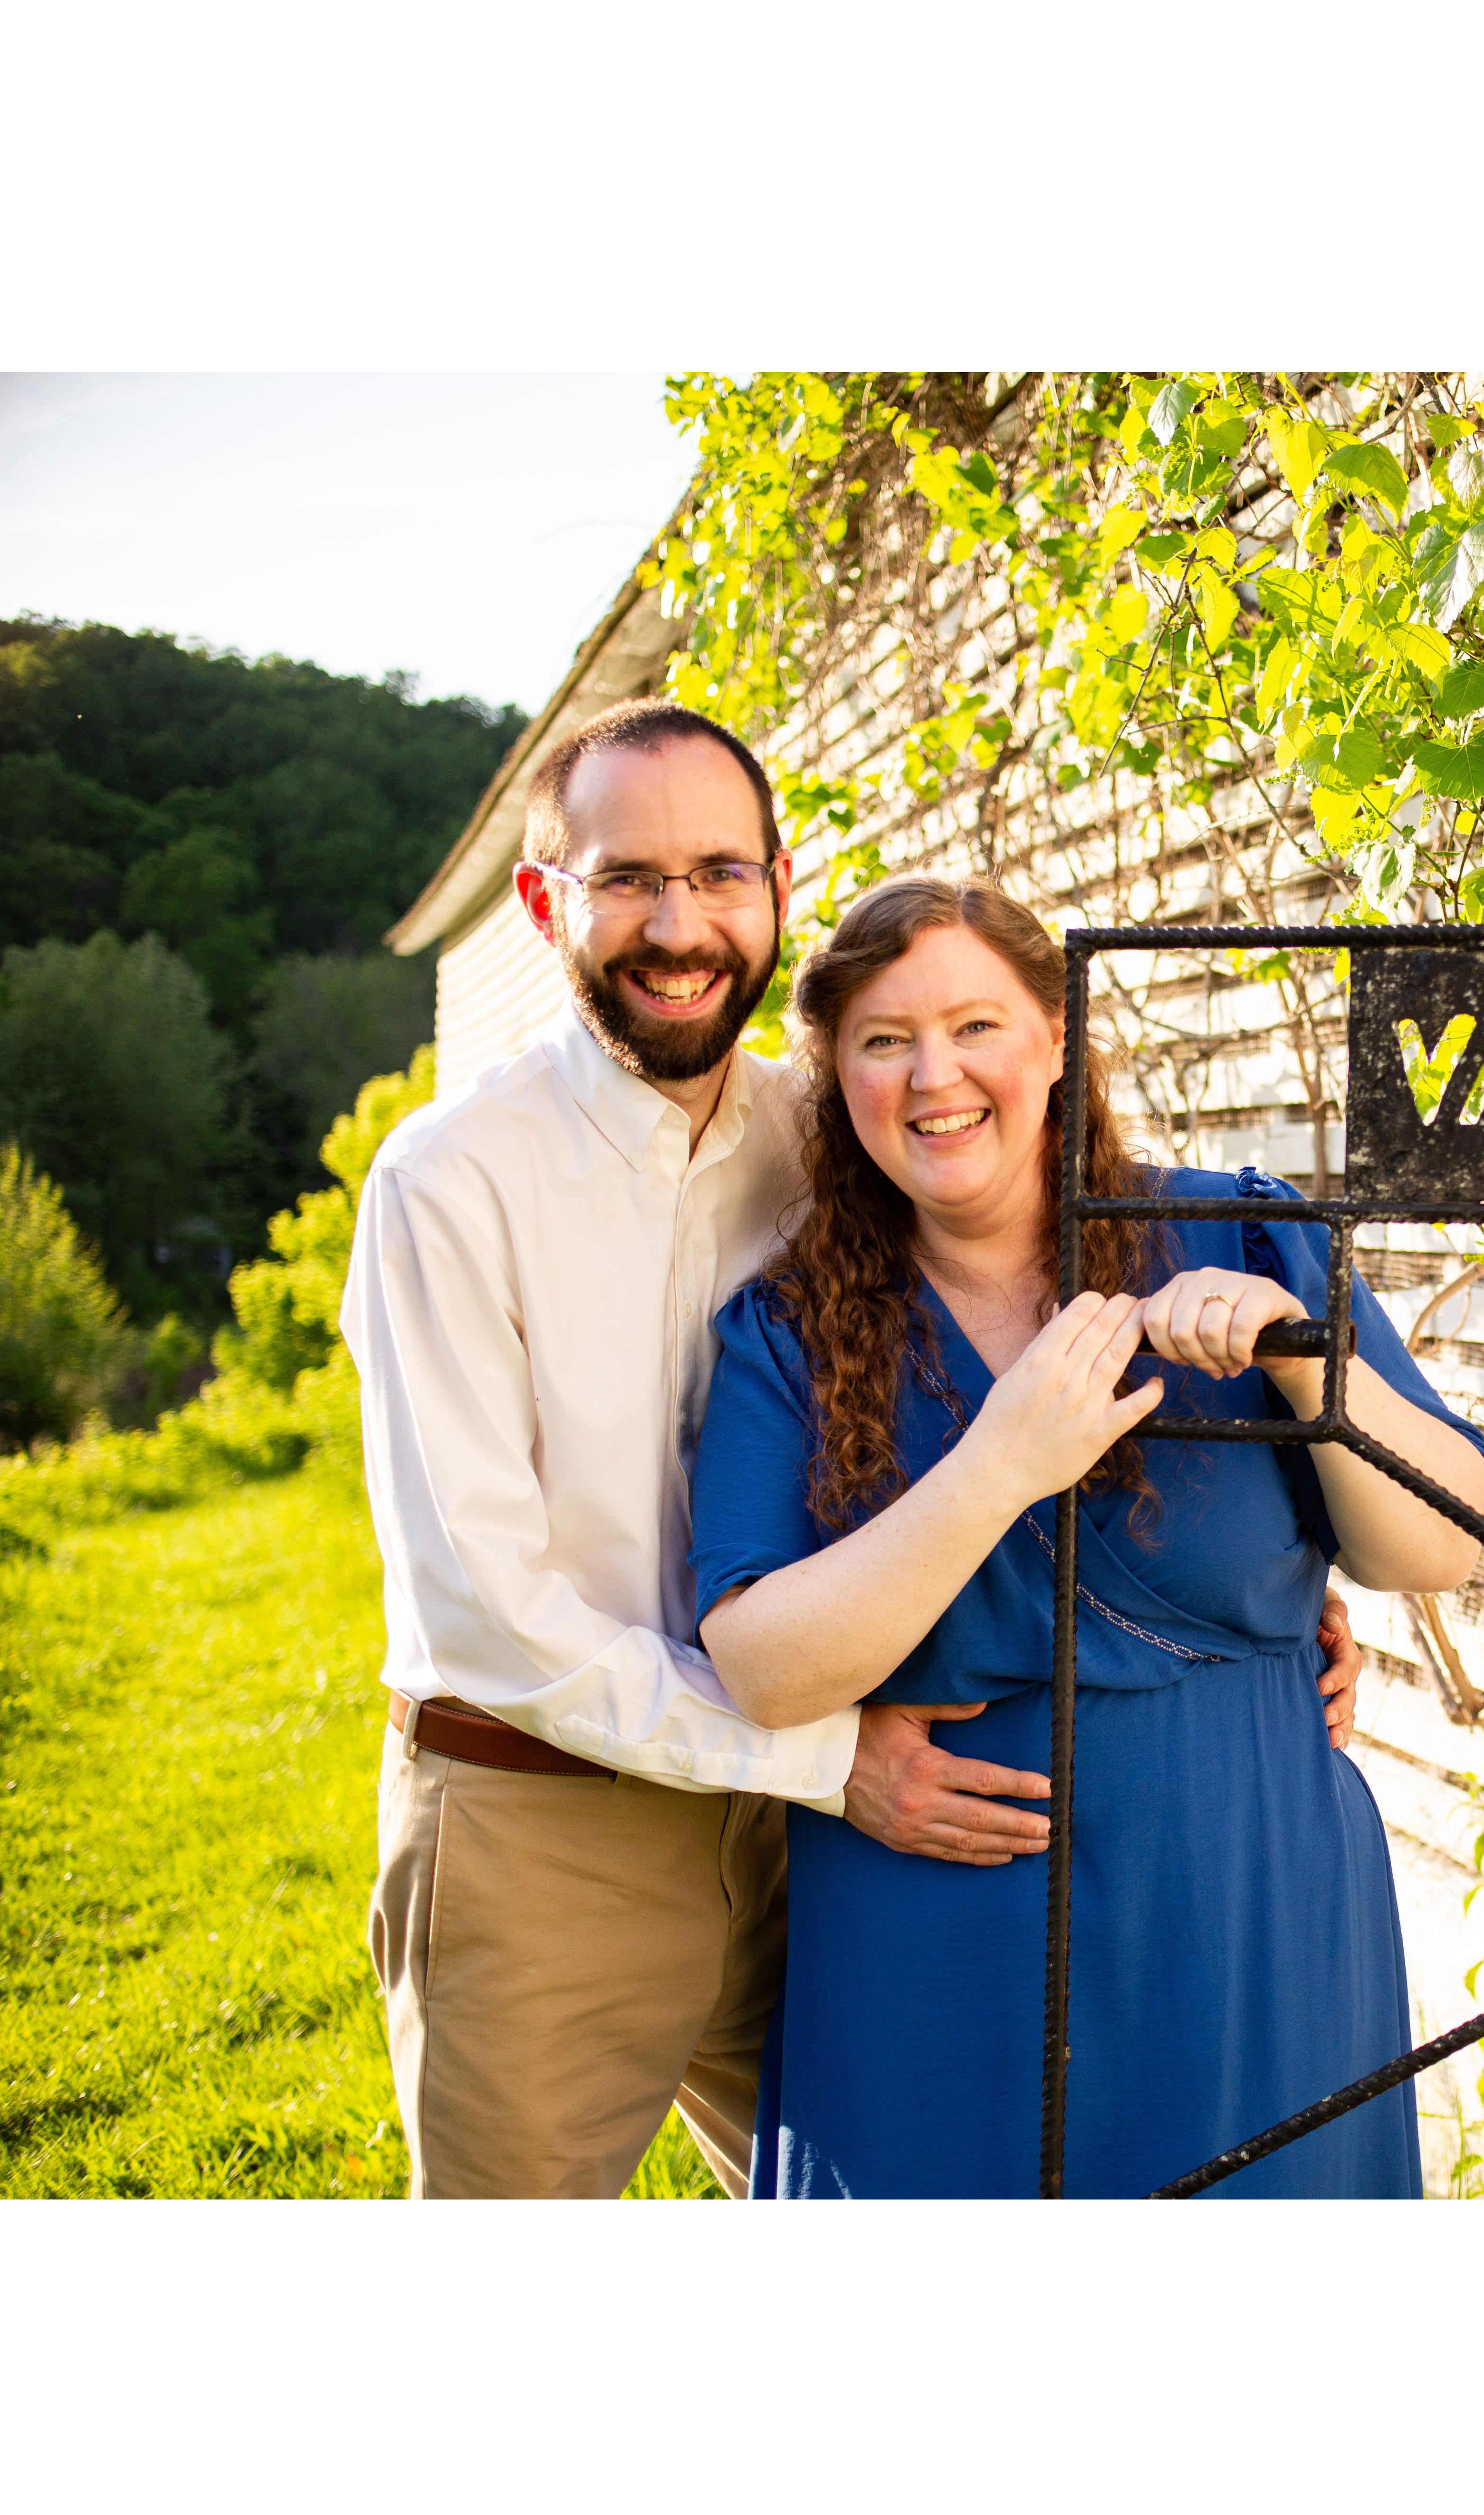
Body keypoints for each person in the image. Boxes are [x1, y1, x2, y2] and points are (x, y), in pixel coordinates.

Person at [343, 700, 1368, 2197]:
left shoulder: (826, 1130)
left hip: (815, 1835)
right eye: (628, 879)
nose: (680, 926)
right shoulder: (451, 1181)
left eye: (719, 873)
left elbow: (955, 1373)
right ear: (546, 902)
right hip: (558, 1827)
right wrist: (826, 1759)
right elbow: (488, 1618)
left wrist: (1259, 1592)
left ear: (776, 888)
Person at [689, 877, 1484, 2199]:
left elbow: (1436, 1549)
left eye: (976, 1026)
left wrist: (1305, 1362)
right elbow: (767, 1671)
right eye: (885, 1041)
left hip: (1247, 1914)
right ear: (836, 1076)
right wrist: (998, 1466)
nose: (936, 1076)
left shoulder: (1240, 1234)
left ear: (1057, 1037)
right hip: (937, 1949)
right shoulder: (788, 1331)